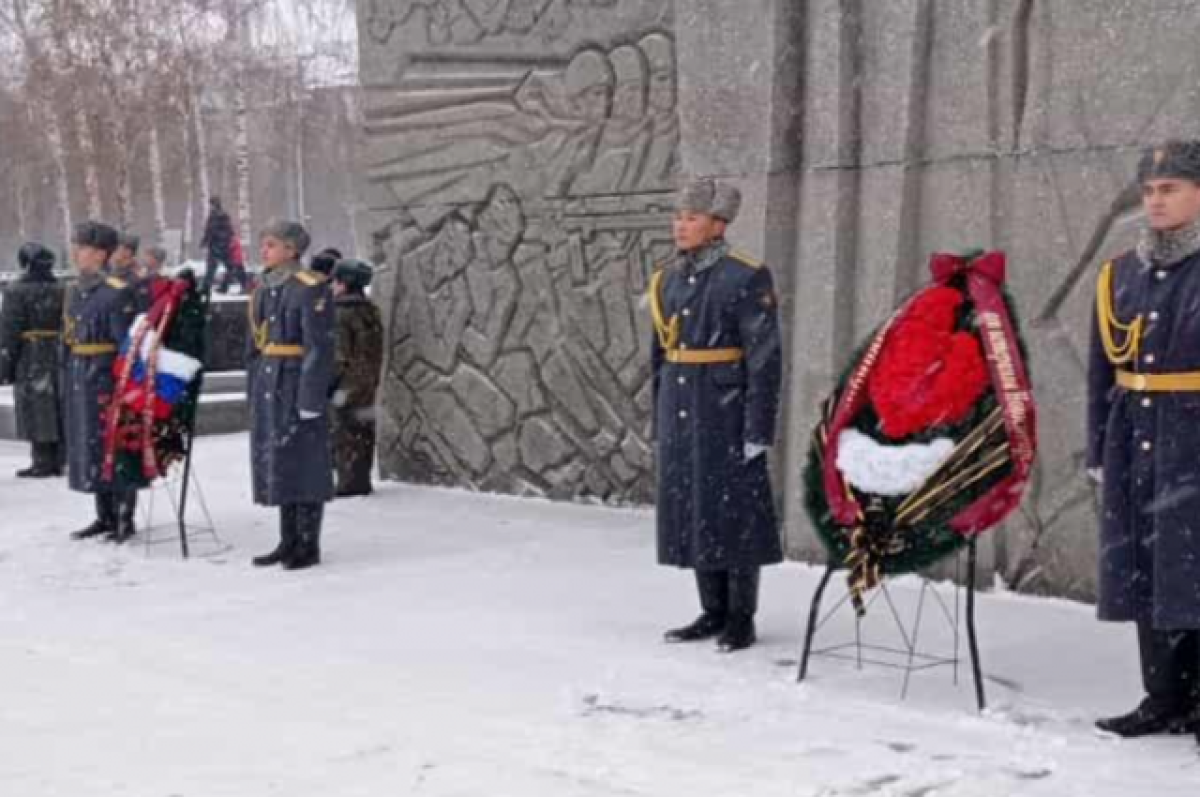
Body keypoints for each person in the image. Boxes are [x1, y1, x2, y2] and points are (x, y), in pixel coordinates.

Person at [1089, 140, 1200, 746]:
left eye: (1172, 188)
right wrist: (1099, 449)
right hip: (1137, 442)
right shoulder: (1120, 275)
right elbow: (1101, 374)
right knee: (1151, 571)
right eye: (1151, 191)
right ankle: (1164, 698)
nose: (1156, 201)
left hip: (1195, 444)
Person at [648, 178, 783, 653]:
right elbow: (660, 355)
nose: (680, 226)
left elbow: (764, 357)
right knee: (696, 506)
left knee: (736, 510)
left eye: (691, 218)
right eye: (678, 216)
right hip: (682, 410)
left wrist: (758, 427)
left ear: (718, 225)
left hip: (726, 409)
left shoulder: (746, 276)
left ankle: (741, 617)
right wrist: (659, 419)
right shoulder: (666, 280)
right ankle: (712, 610)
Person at [247, 220, 335, 570]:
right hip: (272, 384)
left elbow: (319, 348)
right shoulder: (265, 288)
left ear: (291, 250)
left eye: (271, 244)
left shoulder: (310, 287)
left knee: (306, 466)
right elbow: (256, 345)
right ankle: (288, 540)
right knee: (281, 463)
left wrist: (310, 399)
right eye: (264, 244)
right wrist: (254, 390)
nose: (264, 250)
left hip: (296, 384)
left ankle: (308, 544)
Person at [63, 222, 144, 543]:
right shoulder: (75, 289)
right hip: (81, 374)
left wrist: (128, 387)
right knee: (92, 446)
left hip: (109, 376)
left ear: (99, 254)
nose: (75, 253)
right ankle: (104, 515)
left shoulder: (117, 291)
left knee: (117, 444)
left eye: (81, 247)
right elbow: (67, 338)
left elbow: (129, 344)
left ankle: (124, 516)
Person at [0, 243, 65, 478]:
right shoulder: (62, 288)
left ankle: (42, 460)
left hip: (31, 353)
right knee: (57, 403)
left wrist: (5, 364)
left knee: (36, 407)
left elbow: (9, 329)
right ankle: (60, 457)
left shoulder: (17, 290)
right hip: (58, 351)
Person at [330, 259, 384, 497]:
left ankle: (348, 483)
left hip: (346, 384)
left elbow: (339, 356)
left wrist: (331, 384)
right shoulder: (369, 310)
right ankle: (361, 479)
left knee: (344, 431)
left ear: (343, 284)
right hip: (368, 381)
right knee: (364, 431)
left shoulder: (340, 313)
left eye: (335, 280)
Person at [200, 196, 234, 292]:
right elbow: (209, 230)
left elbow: (228, 231)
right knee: (211, 268)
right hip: (214, 246)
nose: (211, 206)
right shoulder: (212, 215)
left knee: (229, 268)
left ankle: (223, 286)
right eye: (210, 204)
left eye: (212, 204)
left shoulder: (222, 215)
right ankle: (206, 288)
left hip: (221, 246)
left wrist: (222, 240)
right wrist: (205, 241)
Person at [111, 232, 151, 311]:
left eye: (116, 249)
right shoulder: (110, 272)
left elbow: (143, 308)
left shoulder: (136, 278)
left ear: (127, 252)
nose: (113, 252)